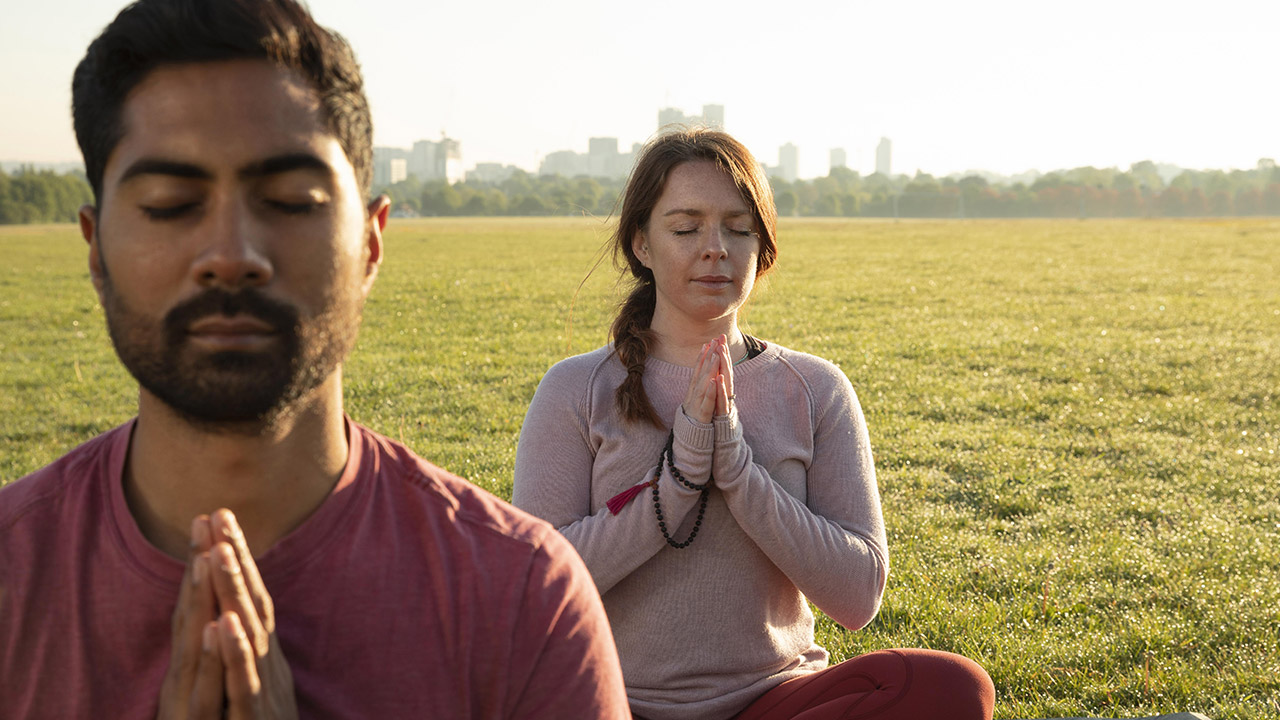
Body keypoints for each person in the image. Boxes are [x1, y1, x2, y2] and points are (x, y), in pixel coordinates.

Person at [0, 1, 629, 717]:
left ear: (370, 243)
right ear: (95, 250)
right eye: (171, 204)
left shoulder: (524, 601)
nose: (231, 256)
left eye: (292, 201)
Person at [512, 128, 995, 720]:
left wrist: (740, 473)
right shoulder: (577, 389)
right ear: (641, 243)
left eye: (738, 228)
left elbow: (858, 593)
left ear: (761, 248)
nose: (714, 247)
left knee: (948, 685)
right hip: (612, 701)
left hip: (774, 701)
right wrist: (679, 480)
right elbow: (536, 588)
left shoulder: (815, 388)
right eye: (686, 228)